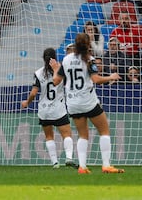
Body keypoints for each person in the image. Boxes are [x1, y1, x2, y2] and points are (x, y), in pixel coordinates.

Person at [49, 33, 124, 174]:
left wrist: (54, 70)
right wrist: (111, 76)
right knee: (104, 131)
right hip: (88, 101)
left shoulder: (66, 59)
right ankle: (106, 165)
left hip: (72, 102)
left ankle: (82, 167)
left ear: (75, 44)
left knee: (83, 135)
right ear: (88, 45)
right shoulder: (89, 60)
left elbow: (56, 81)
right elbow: (96, 79)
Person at [21, 48, 78, 169]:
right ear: (55, 57)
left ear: (43, 58)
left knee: (49, 136)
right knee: (67, 134)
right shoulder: (61, 70)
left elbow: (33, 93)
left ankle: (55, 163)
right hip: (58, 108)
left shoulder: (39, 73)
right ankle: (68, 158)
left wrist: (27, 102)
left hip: (44, 110)